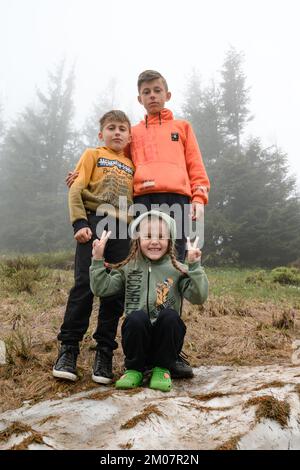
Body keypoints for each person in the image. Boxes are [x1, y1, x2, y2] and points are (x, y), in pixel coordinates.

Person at [66, 69, 210, 378]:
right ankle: (139, 347)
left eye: (158, 90)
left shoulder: (182, 127)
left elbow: (195, 164)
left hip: (178, 200)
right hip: (140, 202)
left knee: (174, 269)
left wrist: (199, 197)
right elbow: (117, 165)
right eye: (146, 92)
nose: (153, 96)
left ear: (167, 94)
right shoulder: (134, 133)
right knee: (137, 269)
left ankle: (171, 351)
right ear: (139, 98)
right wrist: (80, 176)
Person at [53, 110, 134, 384]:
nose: (117, 133)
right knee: (84, 285)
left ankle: (104, 353)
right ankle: (68, 349)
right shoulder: (92, 155)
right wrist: (79, 223)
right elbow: (76, 188)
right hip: (95, 222)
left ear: (130, 136)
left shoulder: (133, 164)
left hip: (123, 230)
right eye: (111, 128)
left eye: (123, 128)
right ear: (101, 134)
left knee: (114, 290)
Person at [89, 210, 209, 392]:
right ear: (137, 239)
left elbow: (199, 297)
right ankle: (134, 370)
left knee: (170, 317)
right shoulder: (128, 267)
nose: (154, 241)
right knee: (135, 318)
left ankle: (163, 369)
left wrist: (194, 267)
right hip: (137, 343)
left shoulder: (178, 270)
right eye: (148, 236)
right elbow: (101, 289)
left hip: (166, 345)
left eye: (161, 236)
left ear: (170, 241)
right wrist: (97, 260)